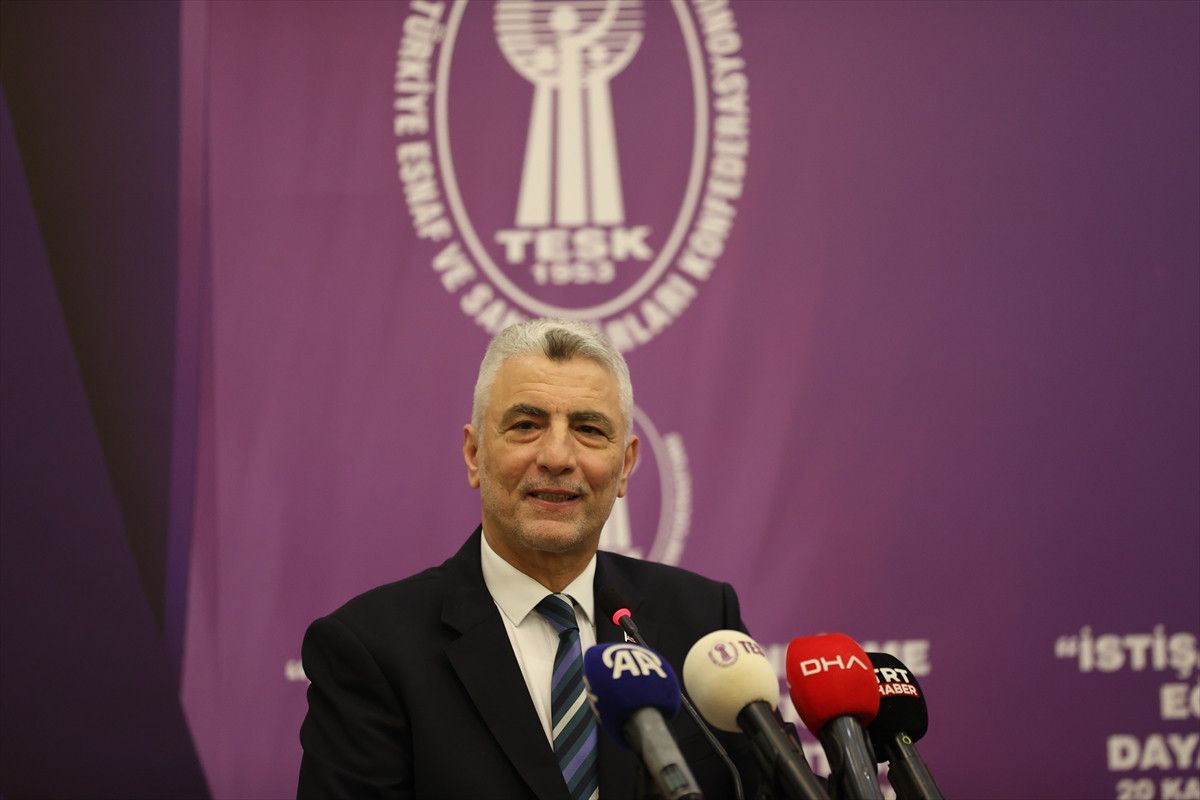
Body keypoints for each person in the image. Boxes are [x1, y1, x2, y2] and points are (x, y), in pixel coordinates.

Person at [298, 318, 758, 799]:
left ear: (625, 465)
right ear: (474, 453)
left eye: (588, 429)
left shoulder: (704, 621)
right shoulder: (370, 648)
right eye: (526, 426)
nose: (557, 457)